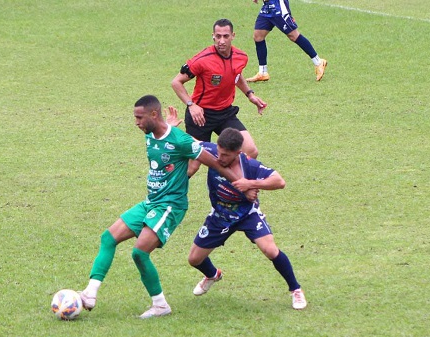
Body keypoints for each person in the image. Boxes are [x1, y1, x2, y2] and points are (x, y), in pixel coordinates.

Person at [78, 95, 248, 319]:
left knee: (140, 253)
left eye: (139, 118)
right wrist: (168, 124)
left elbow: (215, 163)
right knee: (108, 238)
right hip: (151, 202)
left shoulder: (181, 141)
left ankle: (160, 306)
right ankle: (90, 293)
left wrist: (242, 184)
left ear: (153, 114)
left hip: (170, 205)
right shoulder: (151, 133)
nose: (136, 122)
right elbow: (161, 134)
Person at [186, 127, 308, 310]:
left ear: (238, 153)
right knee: (194, 259)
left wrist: (250, 183)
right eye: (219, 152)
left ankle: (296, 290)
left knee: (270, 250)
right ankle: (213, 275)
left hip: (247, 214)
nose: (220, 158)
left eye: (226, 155)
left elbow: (279, 182)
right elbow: (188, 140)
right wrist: (169, 126)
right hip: (220, 216)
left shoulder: (250, 166)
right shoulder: (211, 151)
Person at [171, 18, 267, 171]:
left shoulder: (241, 57)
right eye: (218, 36)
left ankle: (228, 188)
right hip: (201, 116)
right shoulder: (202, 59)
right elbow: (176, 82)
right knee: (193, 166)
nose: (221, 40)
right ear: (213, 36)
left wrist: (250, 95)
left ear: (233, 36)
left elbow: (236, 75)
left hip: (225, 114)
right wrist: (191, 105)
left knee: (251, 151)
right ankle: (168, 192)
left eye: (226, 36)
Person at [245, 0, 327, 82]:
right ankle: (262, 72)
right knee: (258, 36)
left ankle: (318, 62)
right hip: (267, 7)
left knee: (293, 35)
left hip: (278, 7)